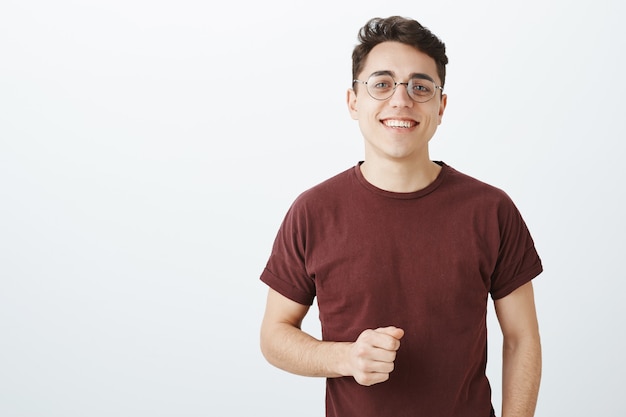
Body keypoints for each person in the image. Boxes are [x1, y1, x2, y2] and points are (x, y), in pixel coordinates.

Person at [259, 15, 542, 417]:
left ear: (440, 106)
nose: (401, 100)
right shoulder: (313, 211)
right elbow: (274, 335)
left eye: (420, 87)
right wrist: (346, 358)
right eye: (382, 84)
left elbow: (521, 338)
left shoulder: (491, 210)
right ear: (353, 101)